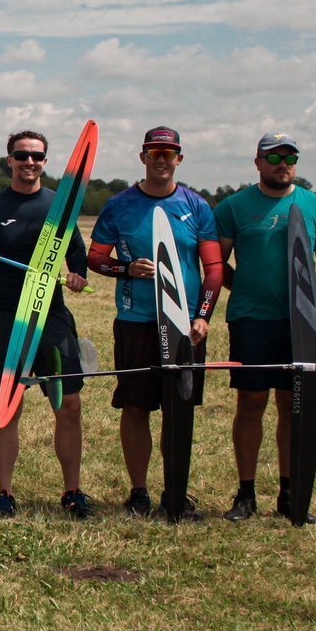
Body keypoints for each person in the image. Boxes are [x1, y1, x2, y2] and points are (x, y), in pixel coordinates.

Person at [86, 127, 221, 519]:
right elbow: (96, 258)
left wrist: (202, 316)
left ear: (179, 158)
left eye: (169, 153)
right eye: (154, 152)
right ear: (143, 157)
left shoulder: (197, 206)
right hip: (137, 320)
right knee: (135, 406)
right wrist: (126, 268)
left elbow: (213, 268)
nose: (161, 159)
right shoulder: (119, 205)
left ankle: (174, 492)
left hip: (185, 325)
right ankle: (139, 493)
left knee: (179, 410)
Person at [213, 131, 316, 523]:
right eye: (273, 157)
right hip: (250, 320)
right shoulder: (234, 207)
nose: (282, 164)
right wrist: (244, 286)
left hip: (301, 324)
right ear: (257, 162)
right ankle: (246, 494)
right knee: (251, 403)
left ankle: (290, 493)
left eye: (289, 157)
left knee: (293, 405)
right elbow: (216, 264)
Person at [0, 129, 92, 519]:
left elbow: (77, 255)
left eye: (37, 156)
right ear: (10, 161)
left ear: (45, 162)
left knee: (68, 404)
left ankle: (72, 490)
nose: (29, 162)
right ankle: (4, 493)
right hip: (7, 317)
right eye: (21, 156)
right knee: (8, 405)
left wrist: (78, 276)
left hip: (51, 316)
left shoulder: (59, 206)